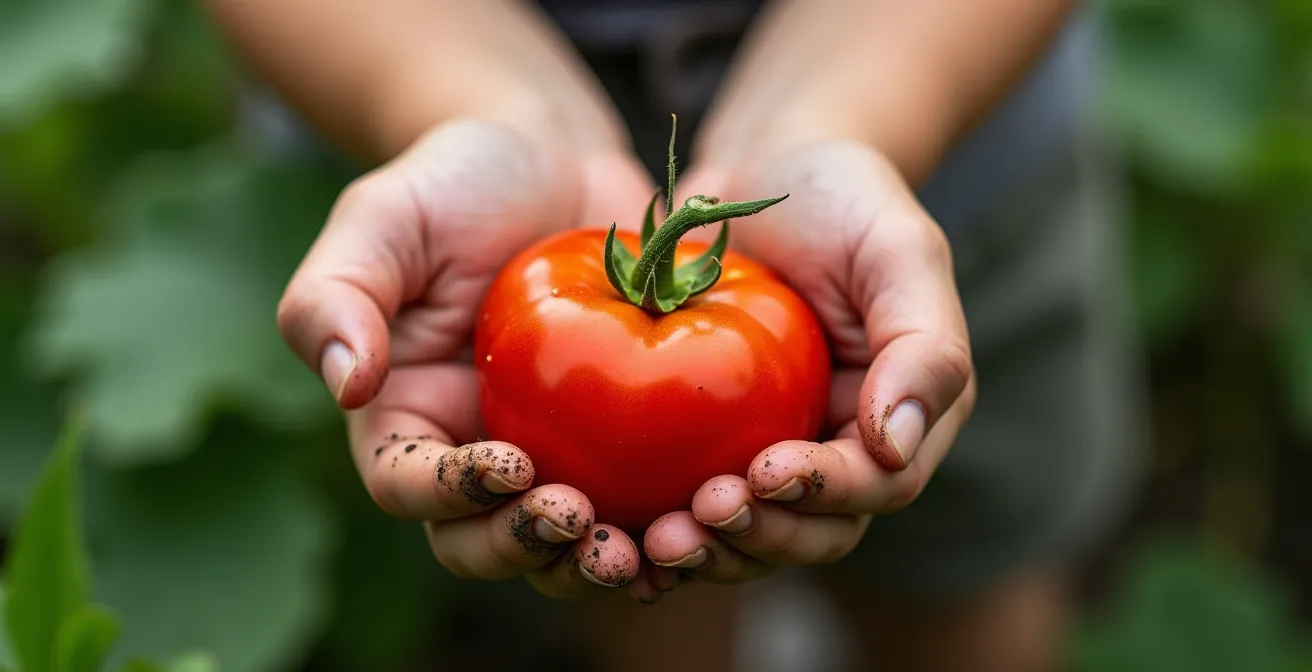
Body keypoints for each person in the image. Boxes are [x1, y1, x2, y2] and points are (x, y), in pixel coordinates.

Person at [205, 1, 1144, 670]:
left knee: (967, 584)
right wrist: (479, 108)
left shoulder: (543, 295)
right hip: (394, 72)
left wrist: (843, 116)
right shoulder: (565, 291)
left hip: (952, 120)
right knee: (622, 572)